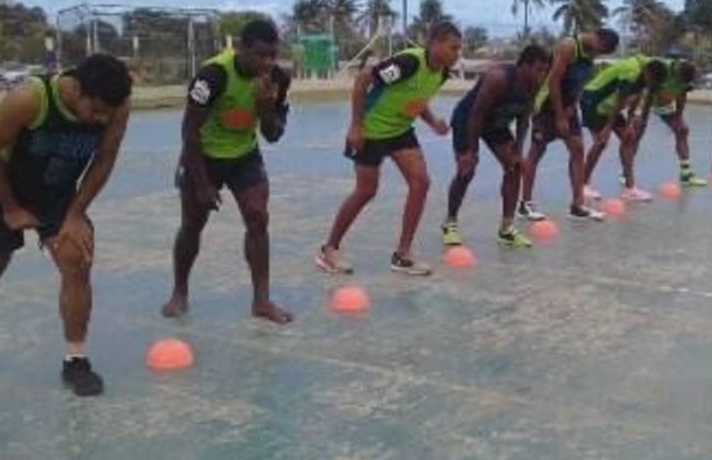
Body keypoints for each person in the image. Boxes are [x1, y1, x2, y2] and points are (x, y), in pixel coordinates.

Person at [0, 54, 132, 396]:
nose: (101, 119)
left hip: (57, 195)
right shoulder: (30, 99)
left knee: (77, 258)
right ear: (77, 90)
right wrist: (9, 208)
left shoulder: (117, 105)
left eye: (107, 114)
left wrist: (76, 213)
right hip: (1, 187)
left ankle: (76, 360)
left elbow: (105, 158)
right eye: (95, 110)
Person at [162, 20, 294, 324]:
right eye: (261, 55)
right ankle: (179, 291)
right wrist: (203, 184)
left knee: (258, 218)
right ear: (242, 49)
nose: (267, 63)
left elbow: (273, 135)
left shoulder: (278, 80)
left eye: (273, 55)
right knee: (192, 225)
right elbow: (190, 131)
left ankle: (261, 301)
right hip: (202, 156)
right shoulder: (212, 76)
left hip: (244, 155)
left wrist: (265, 109)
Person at [316, 22, 462, 276]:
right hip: (371, 130)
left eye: (459, 49)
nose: (457, 54)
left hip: (401, 131)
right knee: (366, 191)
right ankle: (329, 250)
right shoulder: (409, 63)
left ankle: (403, 255)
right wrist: (356, 127)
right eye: (453, 48)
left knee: (421, 182)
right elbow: (363, 79)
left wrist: (433, 122)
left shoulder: (441, 73)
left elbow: (417, 99)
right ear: (435, 43)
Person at [442, 45, 551, 247]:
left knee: (515, 167)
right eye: (539, 69)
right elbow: (477, 115)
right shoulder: (498, 78)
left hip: (496, 124)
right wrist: (472, 152)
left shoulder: (535, 84)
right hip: (468, 119)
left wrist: (518, 148)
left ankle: (506, 228)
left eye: (546, 71)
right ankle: (450, 223)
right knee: (467, 170)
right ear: (524, 66)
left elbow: (524, 117)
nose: (542, 75)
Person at [517, 28, 620, 222]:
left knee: (578, 150)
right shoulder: (568, 46)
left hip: (568, 108)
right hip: (547, 106)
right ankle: (525, 204)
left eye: (602, 53)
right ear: (597, 37)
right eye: (600, 49)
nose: (598, 54)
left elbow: (579, 85)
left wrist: (572, 107)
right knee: (536, 152)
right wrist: (559, 116)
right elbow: (554, 82)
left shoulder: (590, 55)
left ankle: (577, 205)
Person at [580, 56, 667, 201]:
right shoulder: (631, 70)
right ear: (648, 73)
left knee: (630, 138)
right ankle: (582, 185)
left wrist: (629, 124)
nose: (650, 86)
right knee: (601, 142)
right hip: (593, 100)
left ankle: (630, 189)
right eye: (652, 82)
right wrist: (607, 128)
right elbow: (621, 98)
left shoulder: (646, 75)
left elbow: (636, 99)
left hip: (610, 106)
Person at [641, 58, 707, 187]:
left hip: (667, 103)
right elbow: (650, 93)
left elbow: (682, 96)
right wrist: (643, 117)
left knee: (682, 130)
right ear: (677, 73)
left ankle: (685, 174)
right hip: (649, 100)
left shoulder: (686, 75)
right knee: (636, 134)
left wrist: (679, 116)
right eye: (681, 81)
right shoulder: (663, 71)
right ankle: (625, 173)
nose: (682, 84)